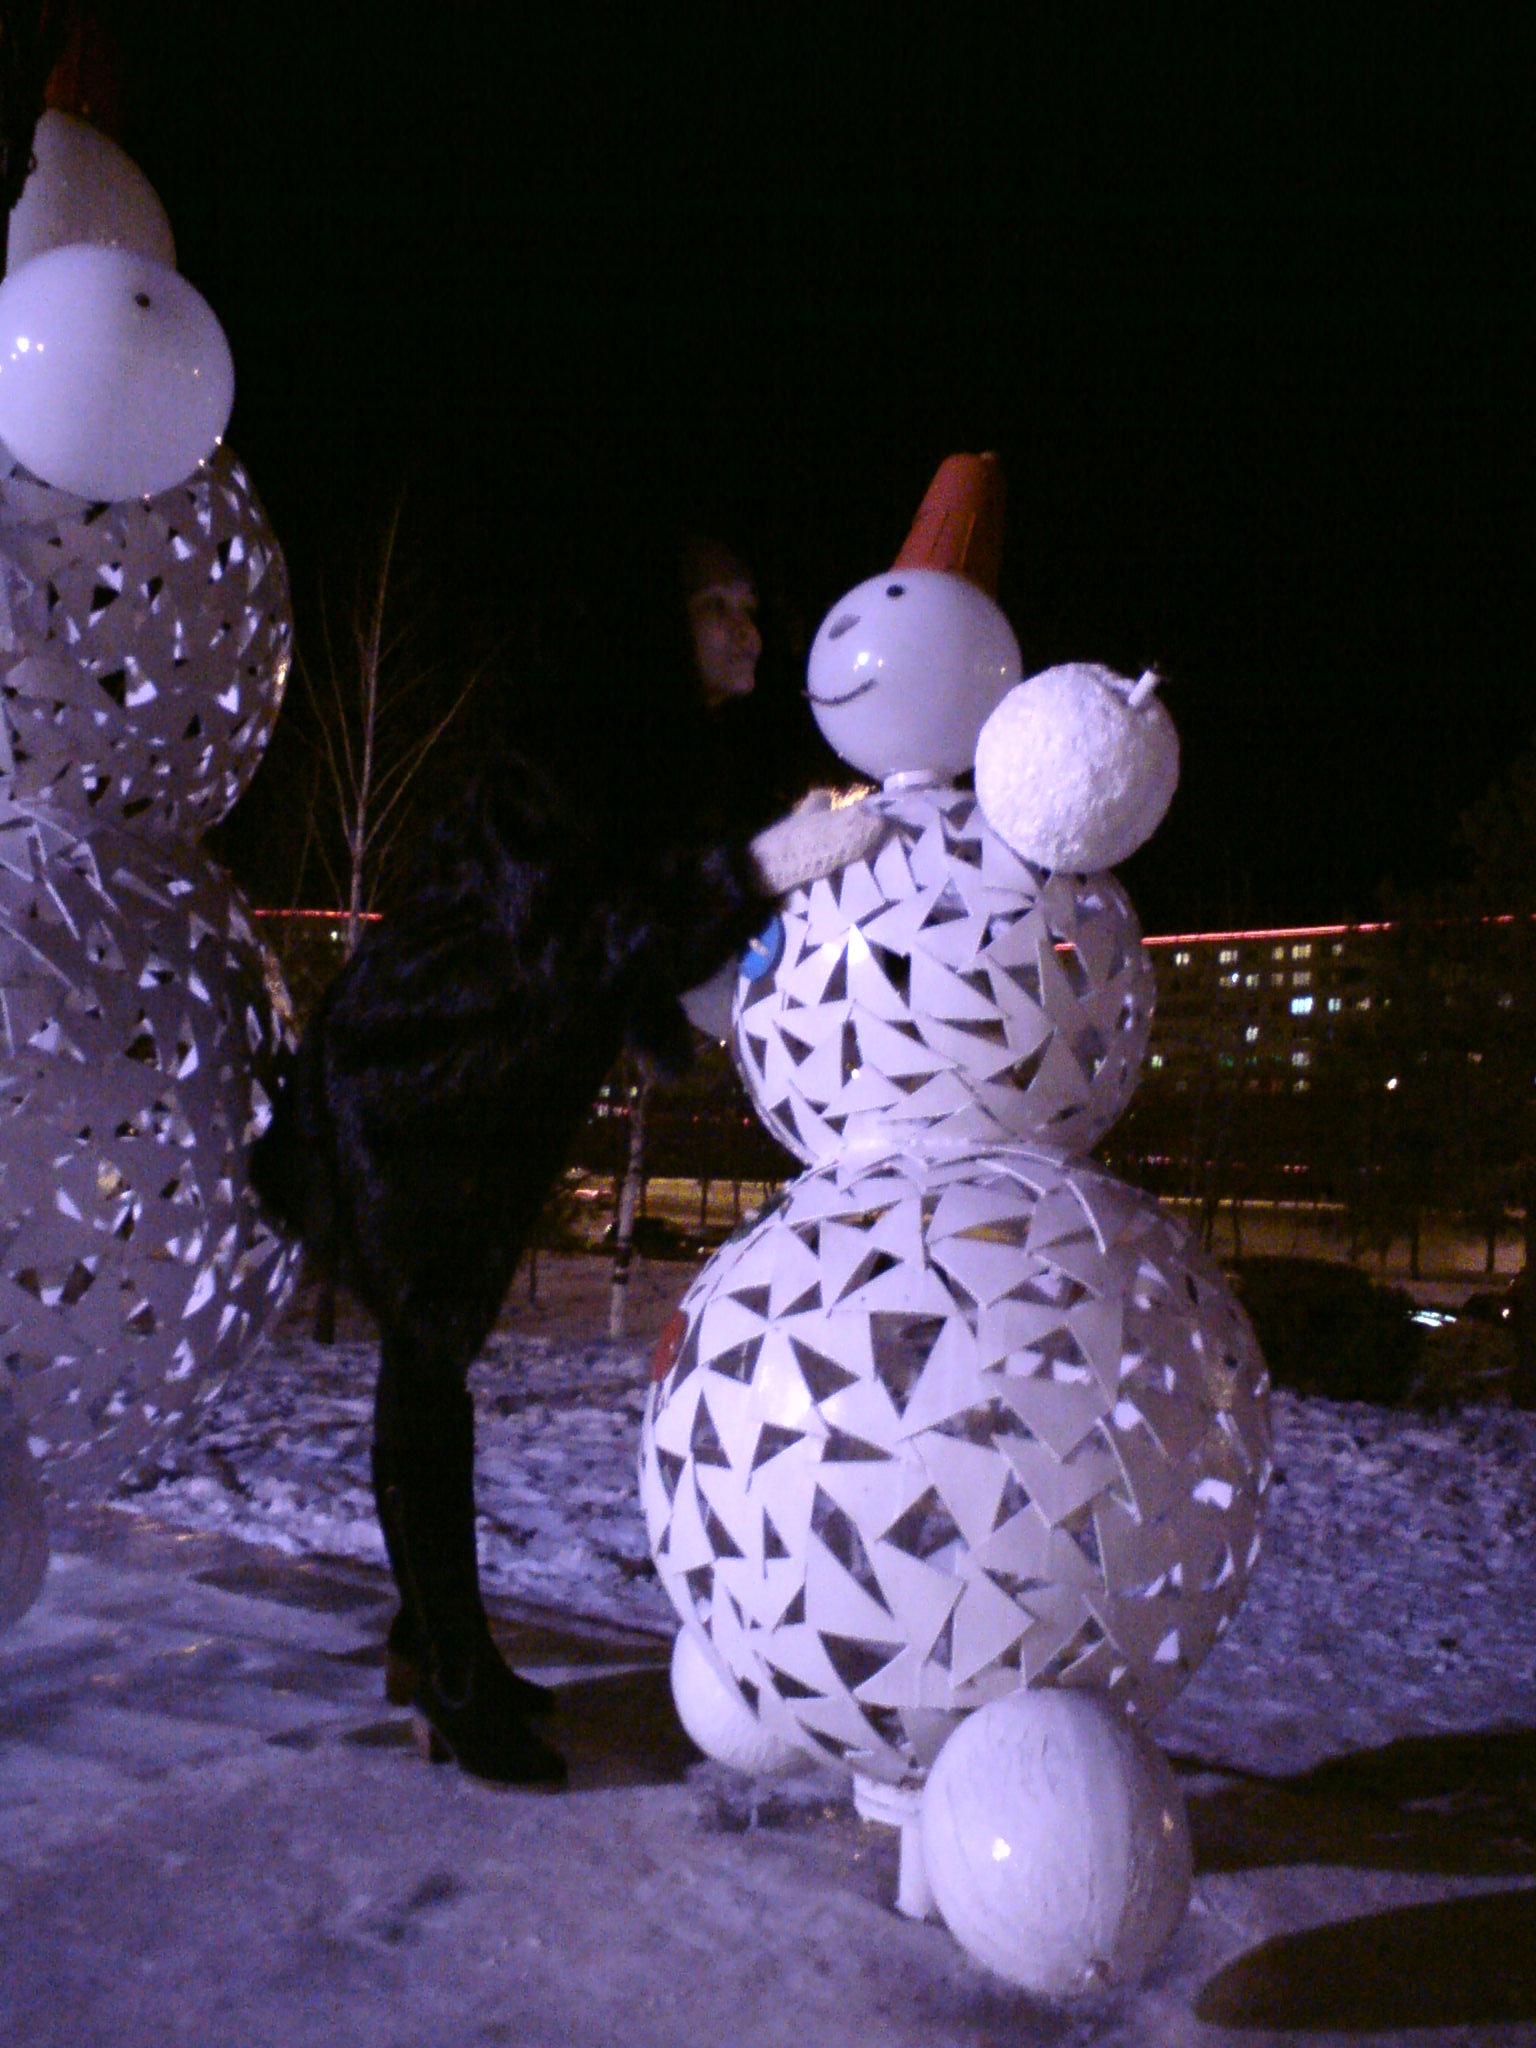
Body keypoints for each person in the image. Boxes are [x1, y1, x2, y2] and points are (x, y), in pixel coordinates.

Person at [250, 528, 879, 1786]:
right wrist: (767, 865)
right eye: (717, 606)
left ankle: (432, 1644)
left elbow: (639, 943)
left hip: (481, 1093)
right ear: (654, 629)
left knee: (431, 1362)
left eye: (752, 606)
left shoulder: (651, 761)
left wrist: (747, 893)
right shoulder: (564, 754)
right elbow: (580, 939)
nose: (749, 631)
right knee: (428, 1366)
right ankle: (452, 1672)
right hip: (417, 1082)